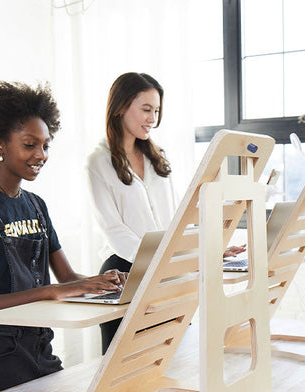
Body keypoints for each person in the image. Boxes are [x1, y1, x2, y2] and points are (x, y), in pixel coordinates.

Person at [0, 81, 126, 392]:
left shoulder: (36, 206)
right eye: (30, 144)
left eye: (46, 145)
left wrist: (101, 282)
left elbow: (67, 279)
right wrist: (48, 291)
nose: (41, 155)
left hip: (39, 349)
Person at [85, 72, 245, 354]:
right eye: (146, 109)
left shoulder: (159, 159)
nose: (152, 119)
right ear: (121, 106)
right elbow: (113, 230)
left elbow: (175, 220)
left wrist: (207, 248)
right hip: (125, 274)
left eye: (156, 111)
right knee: (120, 374)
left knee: (167, 359)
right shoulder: (97, 162)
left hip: (167, 271)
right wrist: (167, 260)